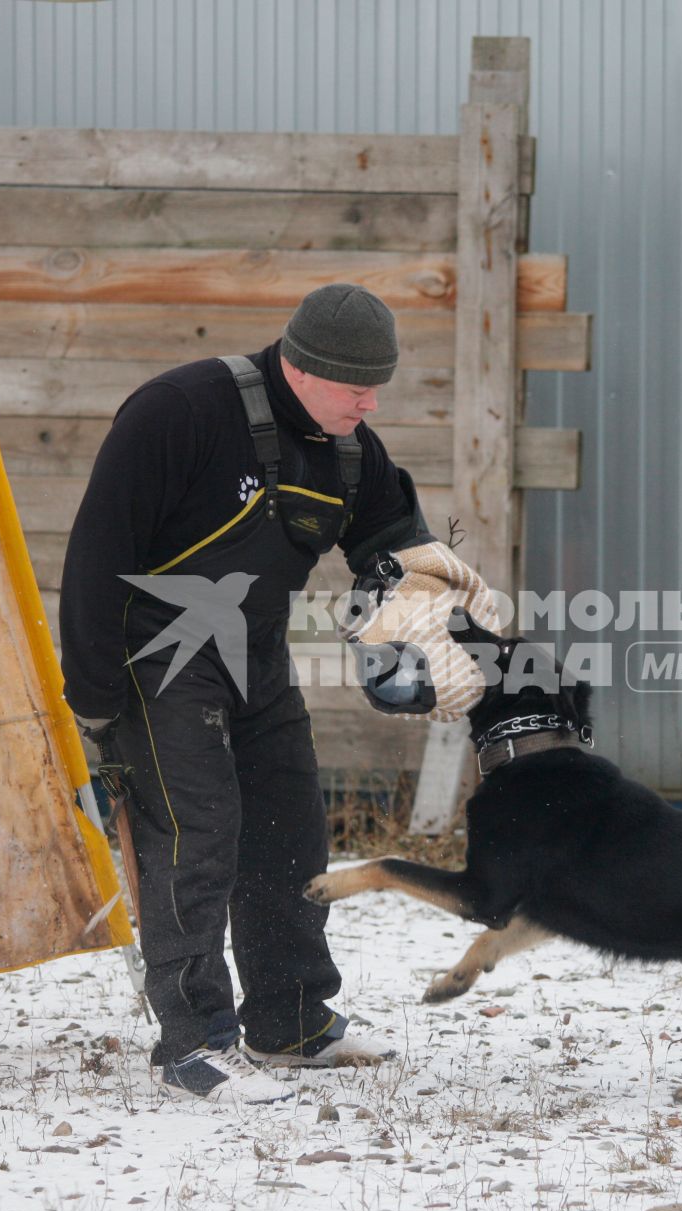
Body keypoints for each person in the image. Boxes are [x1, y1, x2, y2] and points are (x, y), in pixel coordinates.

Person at [60, 284, 439, 1104]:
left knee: (291, 826)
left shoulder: (349, 450)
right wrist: (90, 698)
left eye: (380, 384)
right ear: (301, 366)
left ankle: (291, 1021)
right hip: (154, 653)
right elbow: (94, 556)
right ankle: (192, 1043)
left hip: (253, 651)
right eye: (355, 386)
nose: (370, 402)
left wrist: (398, 637)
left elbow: (398, 548)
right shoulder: (178, 412)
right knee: (197, 834)